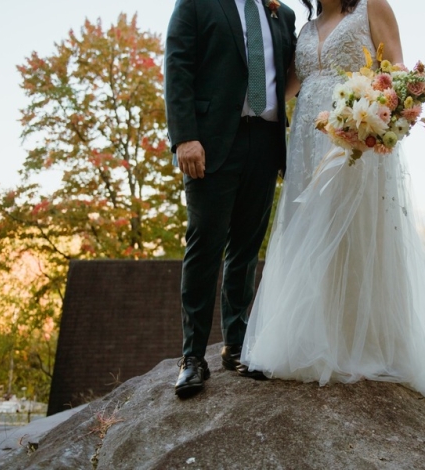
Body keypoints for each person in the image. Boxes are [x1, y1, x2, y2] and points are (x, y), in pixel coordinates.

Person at [241, 0, 425, 398]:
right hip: (307, 139)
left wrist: (369, 124)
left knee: (355, 234)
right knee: (310, 229)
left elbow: (399, 80)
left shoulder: (372, 7)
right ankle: (312, 342)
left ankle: (367, 345)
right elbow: (286, 84)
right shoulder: (306, 28)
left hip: (356, 142)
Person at [165, 0, 297, 398]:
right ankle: (192, 358)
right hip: (211, 142)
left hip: (266, 142)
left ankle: (237, 346)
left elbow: (290, 75)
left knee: (245, 249)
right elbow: (178, 67)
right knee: (205, 245)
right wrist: (185, 136)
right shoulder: (197, 4)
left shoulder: (282, 14)